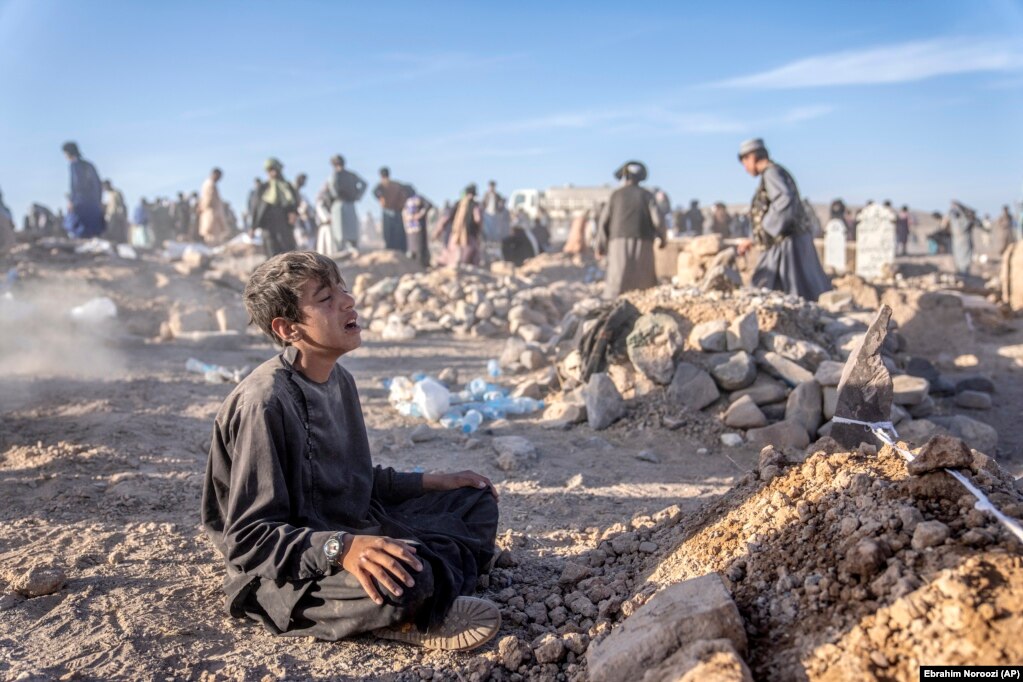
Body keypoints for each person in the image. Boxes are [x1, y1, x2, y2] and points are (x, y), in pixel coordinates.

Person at [201, 251, 500, 648]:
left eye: (342, 288)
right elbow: (249, 537)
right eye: (325, 299)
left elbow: (352, 481)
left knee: (473, 500)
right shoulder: (265, 403)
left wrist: (432, 482)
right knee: (413, 579)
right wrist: (341, 548)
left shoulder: (339, 381)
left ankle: (428, 585)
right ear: (287, 328)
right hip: (287, 565)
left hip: (351, 526)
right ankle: (409, 610)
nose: (348, 301)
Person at [736, 138, 831, 302]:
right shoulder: (774, 173)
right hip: (785, 242)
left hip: (786, 244)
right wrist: (755, 238)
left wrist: (766, 229)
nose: (745, 168)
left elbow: (784, 200)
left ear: (752, 157)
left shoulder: (771, 173)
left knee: (783, 291)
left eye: (745, 161)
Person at [596, 160, 665, 299]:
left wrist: (600, 246)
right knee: (644, 282)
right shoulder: (647, 195)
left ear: (625, 177)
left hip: (618, 243)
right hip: (644, 242)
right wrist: (663, 238)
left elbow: (603, 222)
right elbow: (658, 220)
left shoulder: (616, 195)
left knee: (617, 280)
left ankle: (613, 308)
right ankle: (645, 306)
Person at [253, 158, 299, 257]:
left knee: (288, 252)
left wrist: (293, 214)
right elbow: (255, 207)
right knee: (271, 253)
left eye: (274, 170)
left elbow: (293, 204)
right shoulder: (263, 188)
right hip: (268, 226)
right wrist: (252, 227)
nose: (273, 173)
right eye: (270, 170)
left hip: (284, 224)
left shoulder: (287, 187)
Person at [62, 142, 106, 238]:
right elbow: (98, 185)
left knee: (76, 228)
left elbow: (77, 185)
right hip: (94, 204)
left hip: (81, 203)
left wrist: (72, 201)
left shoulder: (75, 166)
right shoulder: (89, 165)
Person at [329, 155, 367, 250]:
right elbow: (364, 184)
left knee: (340, 232)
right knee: (351, 230)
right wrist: (357, 196)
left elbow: (333, 190)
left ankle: (341, 252)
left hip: (340, 204)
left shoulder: (335, 175)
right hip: (351, 204)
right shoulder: (351, 175)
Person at [440, 184, 483, 266]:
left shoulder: (458, 203)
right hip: (470, 234)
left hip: (456, 233)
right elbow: (477, 219)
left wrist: (440, 229)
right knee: (468, 257)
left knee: (452, 253)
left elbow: (447, 217)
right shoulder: (475, 205)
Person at [374, 167, 410, 252]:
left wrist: (381, 199)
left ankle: (391, 250)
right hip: (397, 211)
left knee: (389, 233)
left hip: (387, 211)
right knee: (399, 233)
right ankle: (400, 250)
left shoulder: (382, 185)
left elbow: (375, 193)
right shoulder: (397, 184)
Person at [943, 200, 983, 277]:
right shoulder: (954, 218)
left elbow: (976, 222)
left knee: (965, 257)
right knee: (958, 257)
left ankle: (964, 273)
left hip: (964, 240)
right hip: (957, 240)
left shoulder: (965, 219)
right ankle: (961, 272)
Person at [402, 188, 433, 267]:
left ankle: (422, 264)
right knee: (412, 247)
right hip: (410, 228)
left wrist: (420, 214)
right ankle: (413, 264)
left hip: (419, 227)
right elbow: (404, 211)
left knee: (420, 246)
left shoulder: (419, 199)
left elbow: (429, 205)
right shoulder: (407, 200)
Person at [198, 168, 229, 246]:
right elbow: (209, 199)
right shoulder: (209, 184)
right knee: (211, 234)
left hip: (212, 212)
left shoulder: (210, 184)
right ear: (215, 175)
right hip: (211, 213)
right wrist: (203, 207)